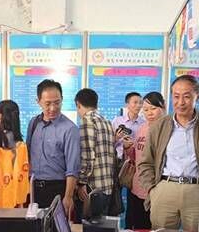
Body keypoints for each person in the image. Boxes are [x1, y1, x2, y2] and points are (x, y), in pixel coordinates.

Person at [137, 75, 199, 231]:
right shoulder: (159, 125)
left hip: (198, 191)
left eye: (187, 96)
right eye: (176, 96)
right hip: (165, 188)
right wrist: (152, 190)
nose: (180, 102)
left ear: (197, 96)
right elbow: (145, 162)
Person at [26, 79, 80, 216]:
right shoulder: (34, 123)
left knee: (55, 228)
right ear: (38, 102)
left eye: (57, 103)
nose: (53, 108)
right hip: (33, 188)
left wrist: (68, 197)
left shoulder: (70, 129)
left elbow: (73, 167)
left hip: (57, 189)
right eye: (48, 103)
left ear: (62, 100)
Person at [124, 92, 166, 229]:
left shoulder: (167, 129)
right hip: (137, 186)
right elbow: (135, 157)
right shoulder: (142, 128)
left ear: (163, 107)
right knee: (136, 227)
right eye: (146, 110)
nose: (149, 113)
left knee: (152, 230)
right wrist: (128, 148)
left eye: (153, 108)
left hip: (156, 189)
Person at [74, 88, 117, 217]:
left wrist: (81, 182)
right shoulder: (106, 122)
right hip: (107, 186)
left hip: (92, 188)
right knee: (101, 226)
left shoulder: (87, 121)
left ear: (78, 104)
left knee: (88, 226)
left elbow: (88, 156)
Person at [112, 92, 145, 158]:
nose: (138, 105)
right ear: (127, 104)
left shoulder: (144, 124)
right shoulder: (117, 121)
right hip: (119, 158)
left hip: (136, 158)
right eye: (135, 102)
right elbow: (109, 143)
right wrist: (117, 138)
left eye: (140, 103)